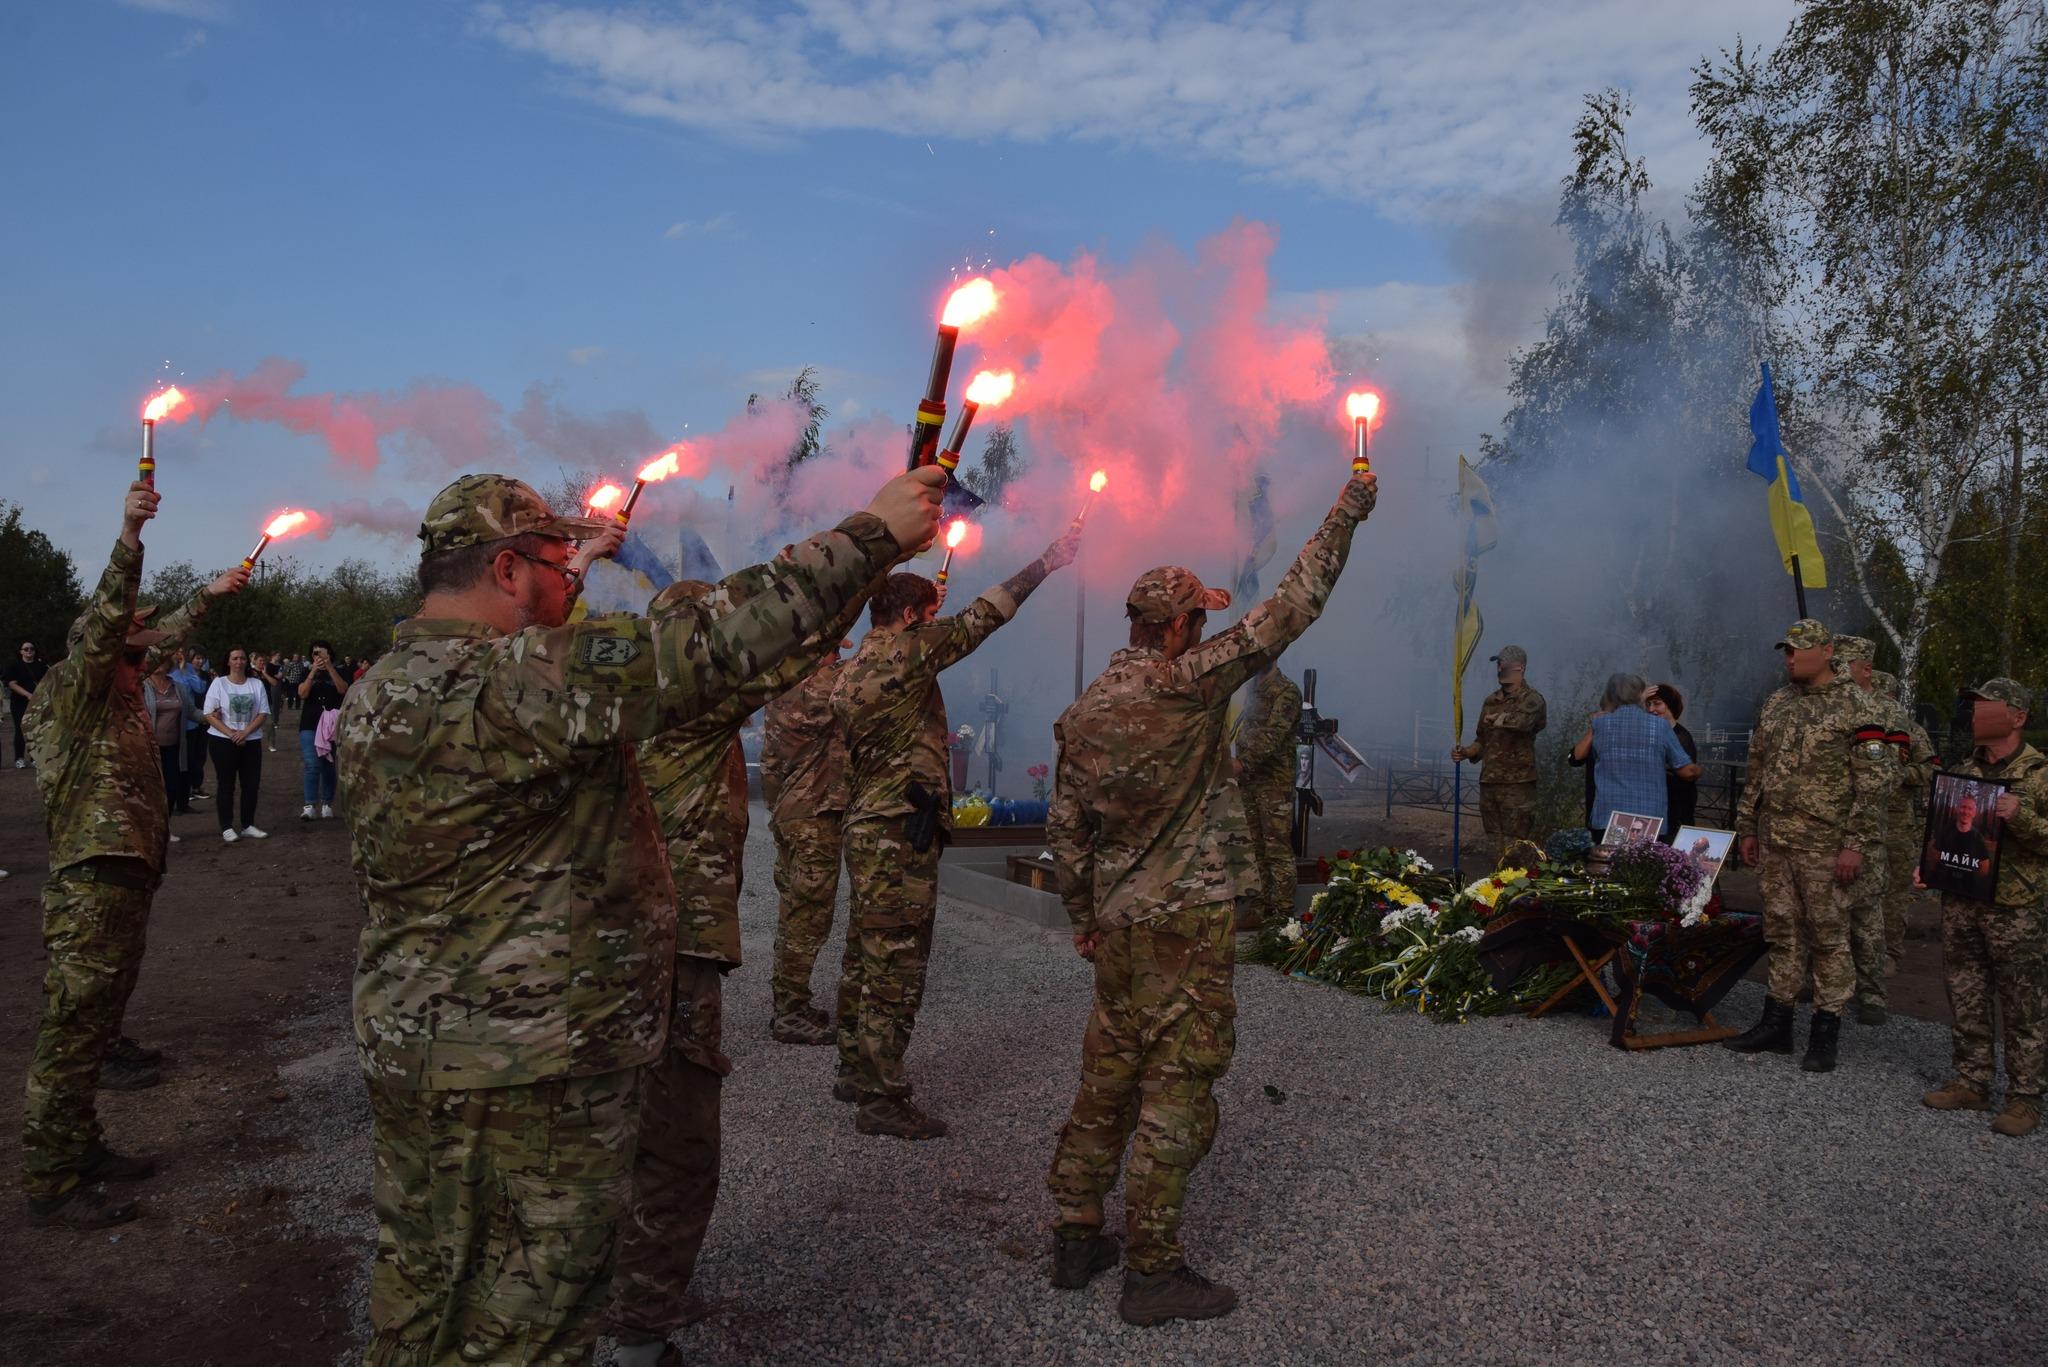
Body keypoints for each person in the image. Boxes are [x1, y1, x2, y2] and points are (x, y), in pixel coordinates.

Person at [335, 468, 939, 1364]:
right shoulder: (513, 682)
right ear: (507, 570)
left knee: (428, 1301)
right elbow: (701, 645)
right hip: (525, 1071)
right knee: (528, 1325)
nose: (570, 577)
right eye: (555, 559)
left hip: (425, 1048)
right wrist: (871, 535)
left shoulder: (383, 688)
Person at [1046, 469, 1377, 1327]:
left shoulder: (1083, 713)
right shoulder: (1188, 683)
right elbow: (1293, 608)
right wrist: (1345, 509)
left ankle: (1076, 1231)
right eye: (1198, 618)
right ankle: (1153, 1271)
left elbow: (1067, 833)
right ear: (1182, 627)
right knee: (1178, 1086)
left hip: (1116, 926)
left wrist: (1083, 919)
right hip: (1184, 924)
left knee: (1106, 1076)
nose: (1204, 629)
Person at [608, 572, 872, 1366]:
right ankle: (639, 1334)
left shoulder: (605, 699)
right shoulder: (685, 706)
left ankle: (608, 1293)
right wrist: (870, 562)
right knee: (678, 1149)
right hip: (673, 949)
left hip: (609, 944)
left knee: (614, 1130)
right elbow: (789, 637)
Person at [20, 480, 247, 1229]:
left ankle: (80, 1148)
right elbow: (115, 617)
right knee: (72, 1031)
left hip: (120, 877)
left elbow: (161, 631)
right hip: (91, 882)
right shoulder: (74, 689)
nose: (147, 645)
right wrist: (129, 533)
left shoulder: (116, 690)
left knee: (96, 1026)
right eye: (132, 639)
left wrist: (211, 593)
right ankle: (51, 1180)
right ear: (104, 642)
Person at [830, 523, 1081, 1139]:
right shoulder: (907, 654)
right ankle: (881, 1098)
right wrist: (1046, 561)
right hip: (899, 833)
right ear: (912, 616)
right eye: (925, 616)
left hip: (868, 827)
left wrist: (927, 601)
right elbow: (984, 617)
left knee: (865, 954)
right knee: (898, 966)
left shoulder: (855, 665)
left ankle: (854, 1069)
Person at [1726, 619, 1890, 1073]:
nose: (1790, 657)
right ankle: (1777, 1023)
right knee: (1782, 931)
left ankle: (1825, 1029)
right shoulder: (1778, 703)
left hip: (1825, 845)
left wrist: (1856, 844)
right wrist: (1748, 828)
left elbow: (1873, 784)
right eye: (1786, 650)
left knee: (1829, 936)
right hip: (1777, 841)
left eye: (1798, 649)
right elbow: (1756, 769)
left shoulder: (1856, 704)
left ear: (1827, 650)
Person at [1920, 679, 2046, 1137]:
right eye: (1971, 706)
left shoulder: (2041, 774)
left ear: (2016, 716)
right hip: (1962, 900)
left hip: (2016, 908)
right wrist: (1928, 865)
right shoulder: (1961, 770)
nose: (1973, 714)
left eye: (1984, 706)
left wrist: (2024, 816)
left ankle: (2025, 1097)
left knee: (2022, 1003)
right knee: (1966, 990)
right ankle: (1971, 1081)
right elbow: (1945, 831)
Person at [759, 631, 852, 1046]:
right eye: (832, 650)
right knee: (808, 915)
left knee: (795, 909)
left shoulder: (784, 682)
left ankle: (789, 999)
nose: (837, 656)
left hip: (790, 812)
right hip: (812, 814)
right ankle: (789, 1011)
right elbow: (880, 672)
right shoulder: (815, 688)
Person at [1838, 640, 1937, 1023]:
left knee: (1882, 902)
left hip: (1890, 824)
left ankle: (1875, 982)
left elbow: (1926, 769)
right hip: (1844, 823)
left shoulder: (1897, 720)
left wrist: (1894, 777)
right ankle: (1833, 981)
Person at [1569, 674, 1701, 839]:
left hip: (1608, 815)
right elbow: (1686, 771)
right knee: (1642, 863)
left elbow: (1576, 756)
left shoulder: (1600, 723)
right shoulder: (1659, 726)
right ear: (1641, 695)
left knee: (1606, 862)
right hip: (1648, 818)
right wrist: (1698, 770)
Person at [1452, 645, 1547, 859]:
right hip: (1490, 783)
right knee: (1494, 844)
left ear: (1520, 668)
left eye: (1504, 664)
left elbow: (1523, 723)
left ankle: (1517, 889)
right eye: (1498, 664)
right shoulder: (1490, 701)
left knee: (1517, 845)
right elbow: (1482, 739)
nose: (1499, 669)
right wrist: (1467, 752)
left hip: (1517, 785)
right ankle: (1494, 888)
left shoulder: (1532, 699)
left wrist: (1498, 719)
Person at [1234, 666, 1301, 930]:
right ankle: (1258, 908)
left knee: (1277, 849)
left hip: (1274, 785)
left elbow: (1272, 736)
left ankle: (1282, 914)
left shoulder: (1286, 691)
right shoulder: (1253, 686)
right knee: (1254, 847)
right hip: (1250, 781)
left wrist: (1240, 763)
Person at [202, 647, 269, 842]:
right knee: (226, 784)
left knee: (251, 784)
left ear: (247, 661)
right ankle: (227, 826)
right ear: (228, 662)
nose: (239, 662)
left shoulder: (256, 684)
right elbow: (209, 714)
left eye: (242, 658)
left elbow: (263, 713)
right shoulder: (219, 683)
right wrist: (231, 733)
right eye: (235, 658)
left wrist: (245, 732)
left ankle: (248, 824)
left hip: (251, 739)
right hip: (223, 740)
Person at [296, 641, 348, 819]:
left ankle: (327, 802)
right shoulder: (307, 671)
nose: (317, 656)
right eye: (314, 654)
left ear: (330, 653)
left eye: (321, 653)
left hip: (332, 725)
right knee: (312, 764)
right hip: (310, 723)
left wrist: (330, 668)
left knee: (329, 764)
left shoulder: (340, 671)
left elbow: (343, 690)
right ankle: (309, 805)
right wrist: (313, 672)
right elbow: (302, 694)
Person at [1644, 682, 1698, 840]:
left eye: (1657, 703)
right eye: (1647, 704)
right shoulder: (1651, 734)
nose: (1651, 709)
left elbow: (1685, 774)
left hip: (1676, 809)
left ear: (1671, 706)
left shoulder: (1682, 737)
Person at [141, 660, 189, 818]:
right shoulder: (142, 687)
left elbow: (192, 711)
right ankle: (150, 828)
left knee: (172, 786)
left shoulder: (178, 687)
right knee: (151, 787)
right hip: (150, 748)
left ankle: (165, 827)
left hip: (173, 745)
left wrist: (210, 716)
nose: (159, 663)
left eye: (163, 659)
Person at [168, 649, 210, 801]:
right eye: (175, 651)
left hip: (190, 722)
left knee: (191, 758)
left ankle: (189, 792)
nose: (178, 654)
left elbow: (199, 688)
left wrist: (184, 671)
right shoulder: (167, 670)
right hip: (172, 723)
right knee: (175, 760)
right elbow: (175, 687)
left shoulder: (189, 669)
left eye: (180, 651)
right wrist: (178, 671)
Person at [8, 639, 49, 769]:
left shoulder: (41, 666)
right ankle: (19, 758)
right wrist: (27, 694)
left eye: (31, 649)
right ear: (21, 652)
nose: (29, 651)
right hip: (19, 702)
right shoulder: (15, 666)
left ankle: (34, 758)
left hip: (38, 702)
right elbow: (12, 684)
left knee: (37, 730)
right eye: (26, 649)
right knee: (20, 730)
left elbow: (48, 682)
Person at [251, 651, 283, 752]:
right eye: (260, 661)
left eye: (263, 661)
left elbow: (274, 683)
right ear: (255, 661)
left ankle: (271, 744)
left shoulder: (266, 672)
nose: (262, 663)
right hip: (252, 703)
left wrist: (265, 673)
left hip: (265, 702)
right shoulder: (250, 673)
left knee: (270, 724)